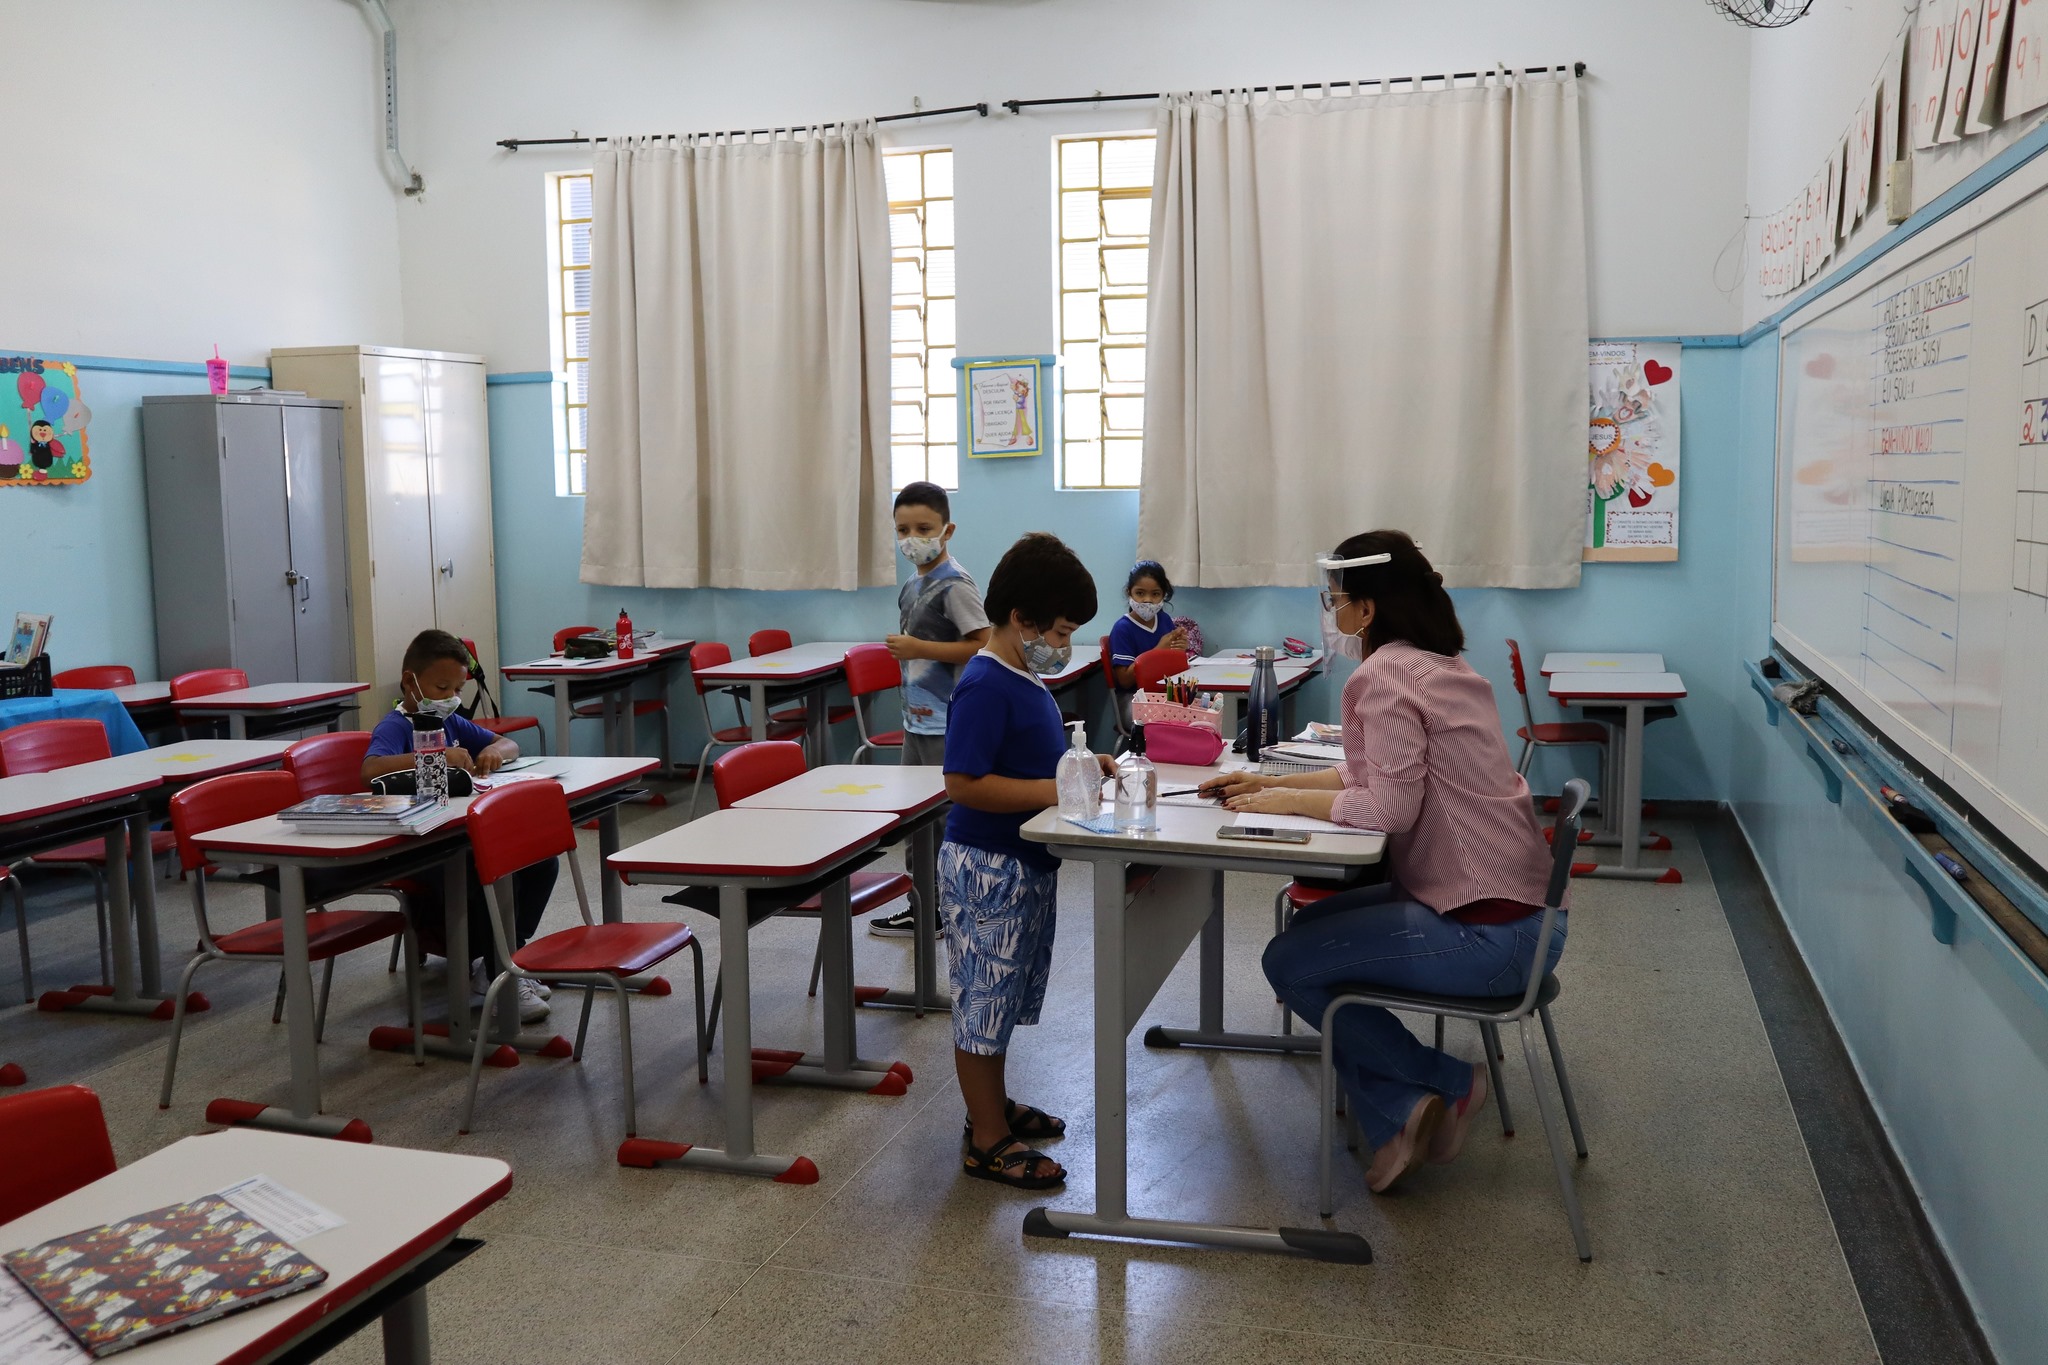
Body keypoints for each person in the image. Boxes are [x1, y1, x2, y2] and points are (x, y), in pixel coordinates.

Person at [1199, 530, 1560, 1193]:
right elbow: (1372, 775)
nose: (1329, 610)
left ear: (1367, 609)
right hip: (1522, 921)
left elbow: (1388, 807)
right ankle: (1400, 1112)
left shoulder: (1384, 676)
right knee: (1308, 939)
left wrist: (1283, 796)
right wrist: (1270, 789)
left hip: (1489, 935)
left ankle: (1451, 1083)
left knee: (1288, 961)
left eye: (1334, 598)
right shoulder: (1442, 665)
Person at [942, 532, 1112, 1189]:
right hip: (987, 868)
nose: (1064, 643)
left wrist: (1080, 766)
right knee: (982, 1003)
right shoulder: (985, 682)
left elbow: (1029, 758)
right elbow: (962, 780)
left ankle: (992, 1105)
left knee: (1002, 997)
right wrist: (1057, 789)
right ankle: (987, 1138)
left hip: (1020, 865)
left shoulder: (1022, 672)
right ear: (1022, 619)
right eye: (1062, 630)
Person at [361, 629, 558, 1023]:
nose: (450, 696)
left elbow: (508, 744)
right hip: (418, 845)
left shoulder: (450, 720)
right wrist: (432, 757)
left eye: (457, 688)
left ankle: (504, 958)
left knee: (540, 860)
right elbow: (371, 768)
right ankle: (496, 966)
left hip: (456, 831)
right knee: (488, 873)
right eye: (440, 686)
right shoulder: (397, 725)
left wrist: (492, 751)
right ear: (409, 681)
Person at [876, 480, 991, 937]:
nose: (912, 538)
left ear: (947, 530)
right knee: (914, 818)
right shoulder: (912, 583)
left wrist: (918, 646)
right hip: (917, 721)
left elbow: (982, 644)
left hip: (947, 720)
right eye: (903, 529)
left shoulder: (955, 585)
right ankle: (922, 906)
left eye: (924, 528)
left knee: (945, 818)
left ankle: (950, 907)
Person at [1106, 560, 1190, 691]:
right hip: (1135, 699)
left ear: (1163, 595)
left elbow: (1171, 667)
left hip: (1163, 692)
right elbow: (1124, 681)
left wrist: (1179, 650)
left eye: (1155, 594)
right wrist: (1158, 651)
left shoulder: (1164, 620)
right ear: (1129, 593)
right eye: (1140, 593)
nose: (1147, 600)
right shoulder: (1122, 628)